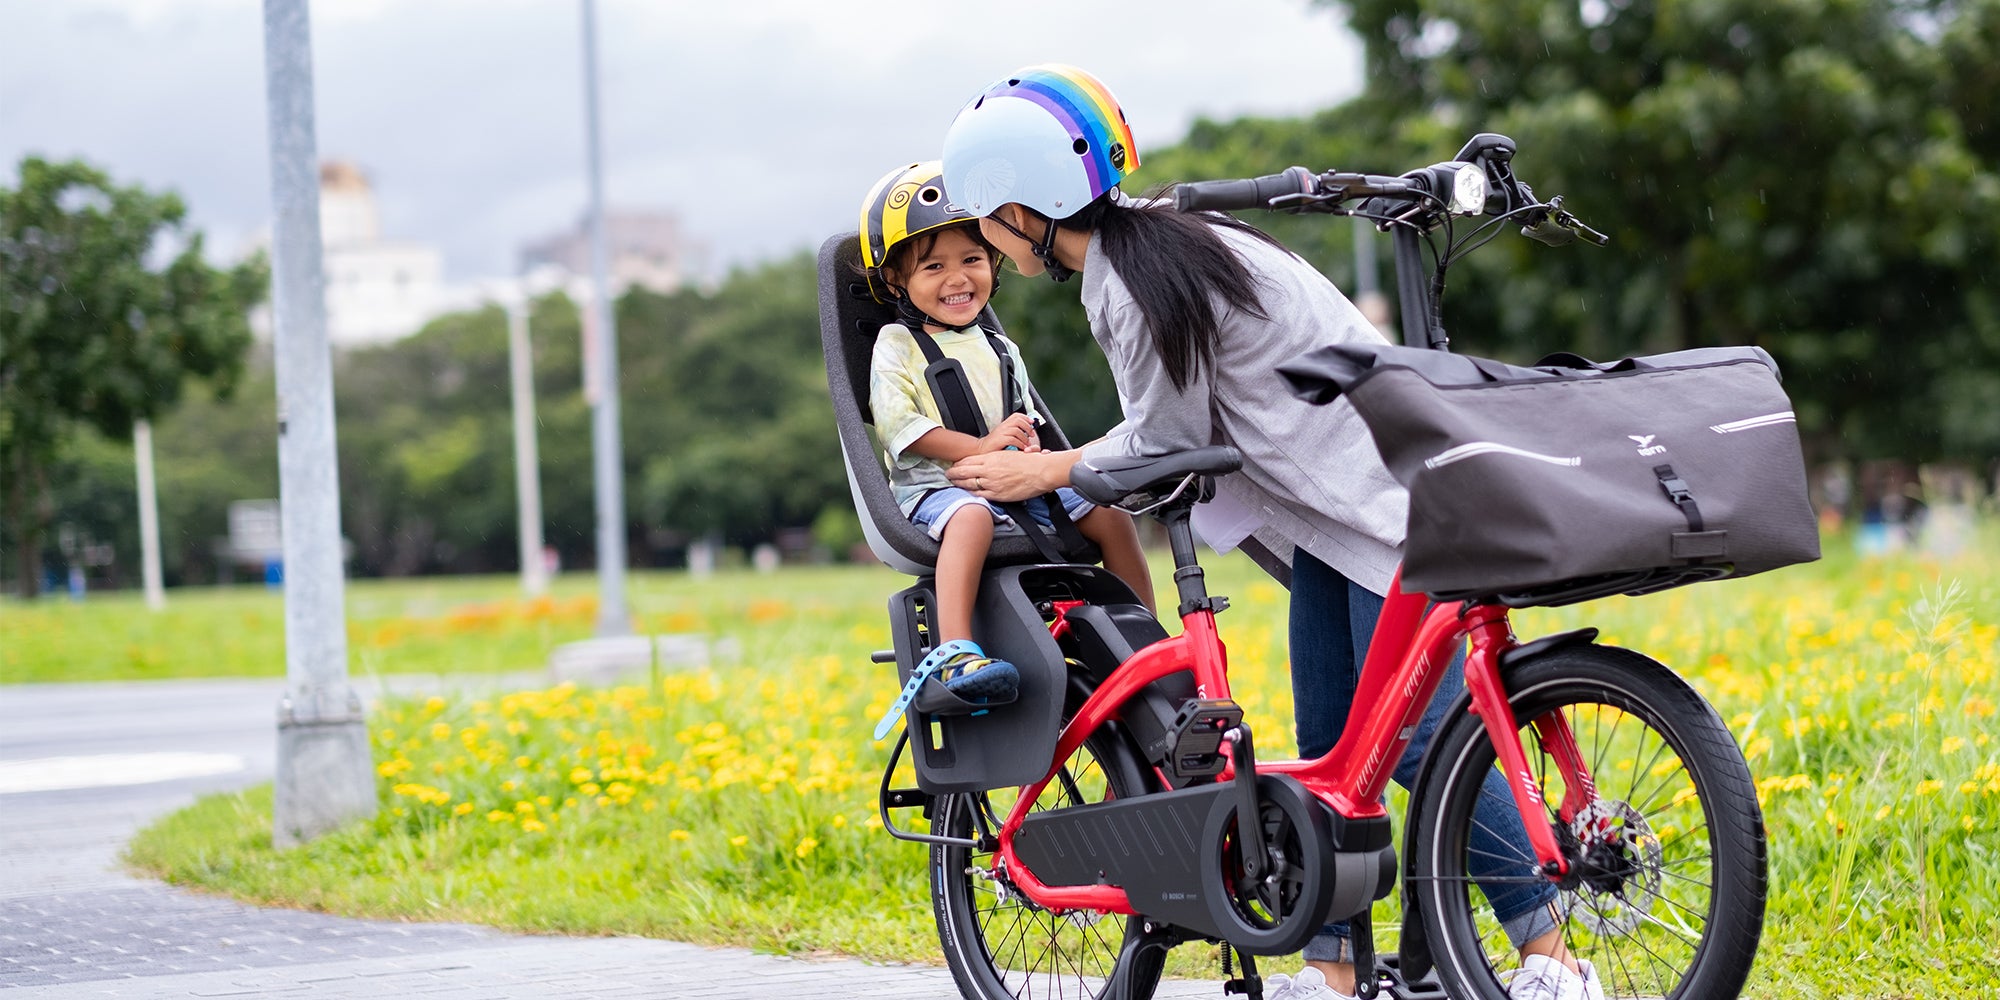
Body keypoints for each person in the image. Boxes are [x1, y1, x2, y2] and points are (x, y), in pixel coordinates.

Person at [939, 65, 1602, 1000]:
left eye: (991, 225)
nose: (995, 251)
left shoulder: (1129, 281)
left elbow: (1168, 442)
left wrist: (1039, 468)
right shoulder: (1176, 240)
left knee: (1410, 741)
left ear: (1027, 207)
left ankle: (1550, 959)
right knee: (1337, 749)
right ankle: (1330, 973)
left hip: (1378, 505)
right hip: (1337, 514)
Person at [859, 160, 1156, 718]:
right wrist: (981, 449)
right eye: (933, 267)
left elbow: (1021, 421)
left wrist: (1023, 448)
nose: (957, 279)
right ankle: (955, 653)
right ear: (898, 280)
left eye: (972, 260)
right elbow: (905, 432)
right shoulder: (896, 344)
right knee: (969, 519)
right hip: (936, 488)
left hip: (1008, 481)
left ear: (994, 261)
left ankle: (1144, 637)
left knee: (1110, 512)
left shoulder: (1001, 347)